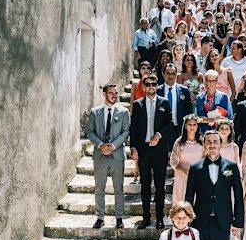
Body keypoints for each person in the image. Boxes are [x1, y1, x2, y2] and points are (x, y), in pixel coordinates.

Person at [130, 74, 174, 230]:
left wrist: (159, 135)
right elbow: (133, 128)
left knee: (160, 185)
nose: (151, 87)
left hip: (159, 150)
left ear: (157, 85)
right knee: (145, 185)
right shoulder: (137, 104)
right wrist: (133, 148)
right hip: (143, 150)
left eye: (154, 84)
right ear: (143, 86)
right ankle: (146, 217)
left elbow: (170, 124)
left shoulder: (165, 103)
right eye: (148, 84)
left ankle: (160, 218)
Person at [86, 84, 131, 229]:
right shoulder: (95, 112)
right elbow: (90, 132)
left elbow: (125, 131)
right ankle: (100, 217)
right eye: (111, 93)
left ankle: (119, 217)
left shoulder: (124, 112)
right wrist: (101, 145)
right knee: (100, 188)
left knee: (119, 188)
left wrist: (113, 146)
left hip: (117, 155)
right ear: (104, 94)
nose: (114, 95)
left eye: (116, 93)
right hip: (100, 155)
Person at [157, 64, 194, 148]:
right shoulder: (158, 91)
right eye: (168, 73)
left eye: (173, 73)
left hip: (179, 129)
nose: (170, 76)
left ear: (176, 74)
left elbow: (189, 112)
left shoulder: (184, 91)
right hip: (161, 130)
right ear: (163, 74)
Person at [170, 115, 204, 204]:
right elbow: (173, 160)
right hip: (182, 177)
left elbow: (205, 159)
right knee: (181, 201)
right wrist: (183, 169)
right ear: (185, 126)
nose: (192, 127)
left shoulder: (202, 142)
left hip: (197, 176)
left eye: (194, 124)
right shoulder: (179, 142)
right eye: (189, 124)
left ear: (197, 126)